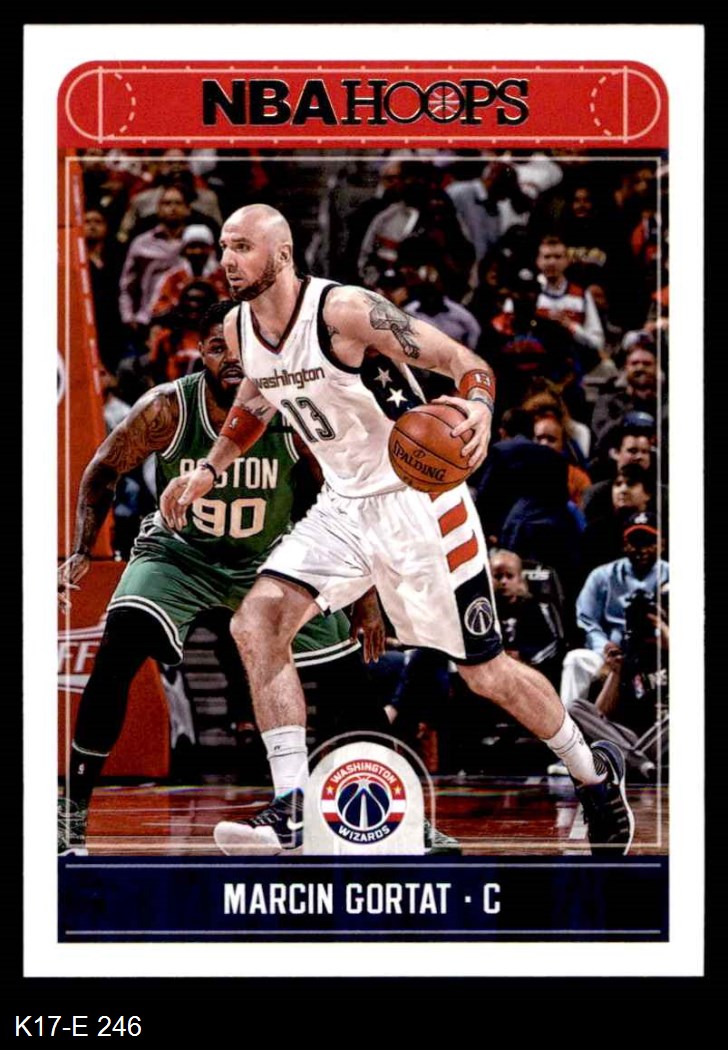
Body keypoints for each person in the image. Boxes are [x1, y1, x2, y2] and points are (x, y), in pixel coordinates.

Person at [161, 203, 634, 857]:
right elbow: (256, 400)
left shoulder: (345, 312)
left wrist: (478, 406)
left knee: (486, 673)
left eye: (243, 247)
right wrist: (210, 470)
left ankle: (592, 774)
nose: (228, 260)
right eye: (223, 246)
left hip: (422, 503)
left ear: (283, 253)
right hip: (344, 504)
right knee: (258, 621)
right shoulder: (240, 328)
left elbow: (463, 360)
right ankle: (292, 804)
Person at [57, 301, 390, 855]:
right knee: (118, 649)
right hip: (179, 556)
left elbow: (344, 496)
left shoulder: (292, 411)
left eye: (239, 347)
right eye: (217, 348)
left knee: (346, 678)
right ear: (200, 353)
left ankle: (399, 809)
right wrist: (81, 551)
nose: (230, 358)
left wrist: (365, 597)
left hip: (269, 558)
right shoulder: (166, 408)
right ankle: (72, 808)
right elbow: (102, 470)